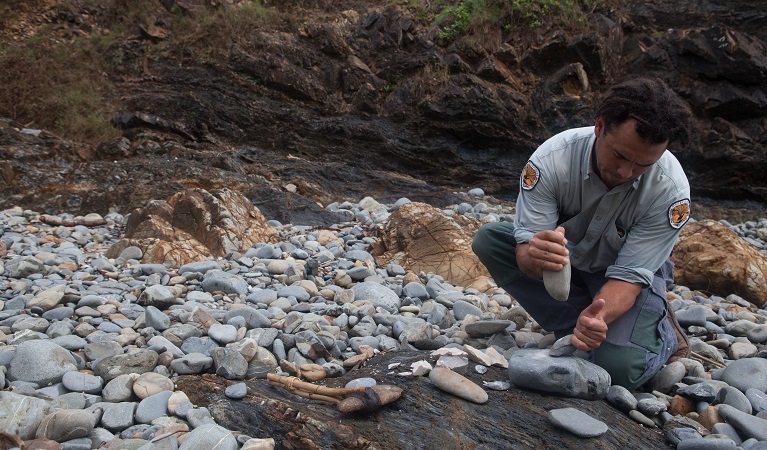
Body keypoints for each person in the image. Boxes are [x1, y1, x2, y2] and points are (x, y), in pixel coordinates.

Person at [472, 76, 695, 389]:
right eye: (619, 155)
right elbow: (525, 258)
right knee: (490, 240)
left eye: (643, 165)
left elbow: (628, 278)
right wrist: (533, 254)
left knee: (620, 372)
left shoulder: (671, 194)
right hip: (574, 261)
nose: (625, 173)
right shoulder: (551, 161)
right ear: (600, 126)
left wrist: (599, 319)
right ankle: (574, 328)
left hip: (625, 277)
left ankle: (665, 334)